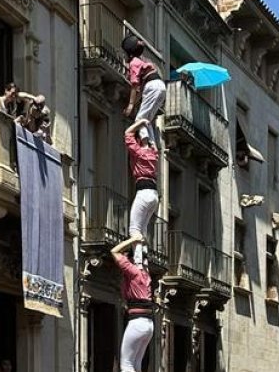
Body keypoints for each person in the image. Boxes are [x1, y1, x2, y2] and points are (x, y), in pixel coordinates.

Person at [109, 238, 154, 372]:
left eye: (126, 256)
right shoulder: (146, 275)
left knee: (126, 365)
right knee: (136, 364)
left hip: (137, 323)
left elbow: (114, 251)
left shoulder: (133, 272)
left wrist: (133, 239)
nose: (124, 257)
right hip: (148, 324)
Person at [121, 36, 165, 147]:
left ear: (129, 53)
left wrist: (131, 105)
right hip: (160, 86)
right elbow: (140, 92)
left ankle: (145, 145)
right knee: (147, 119)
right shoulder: (142, 62)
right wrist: (134, 102)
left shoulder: (134, 63)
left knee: (139, 119)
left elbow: (135, 85)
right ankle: (153, 145)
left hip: (152, 86)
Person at [123, 119, 159, 251]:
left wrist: (141, 121)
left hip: (143, 191)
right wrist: (148, 126)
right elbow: (153, 141)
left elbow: (127, 133)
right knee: (143, 229)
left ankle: (138, 261)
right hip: (154, 195)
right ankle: (144, 257)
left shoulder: (139, 152)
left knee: (134, 229)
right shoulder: (154, 153)